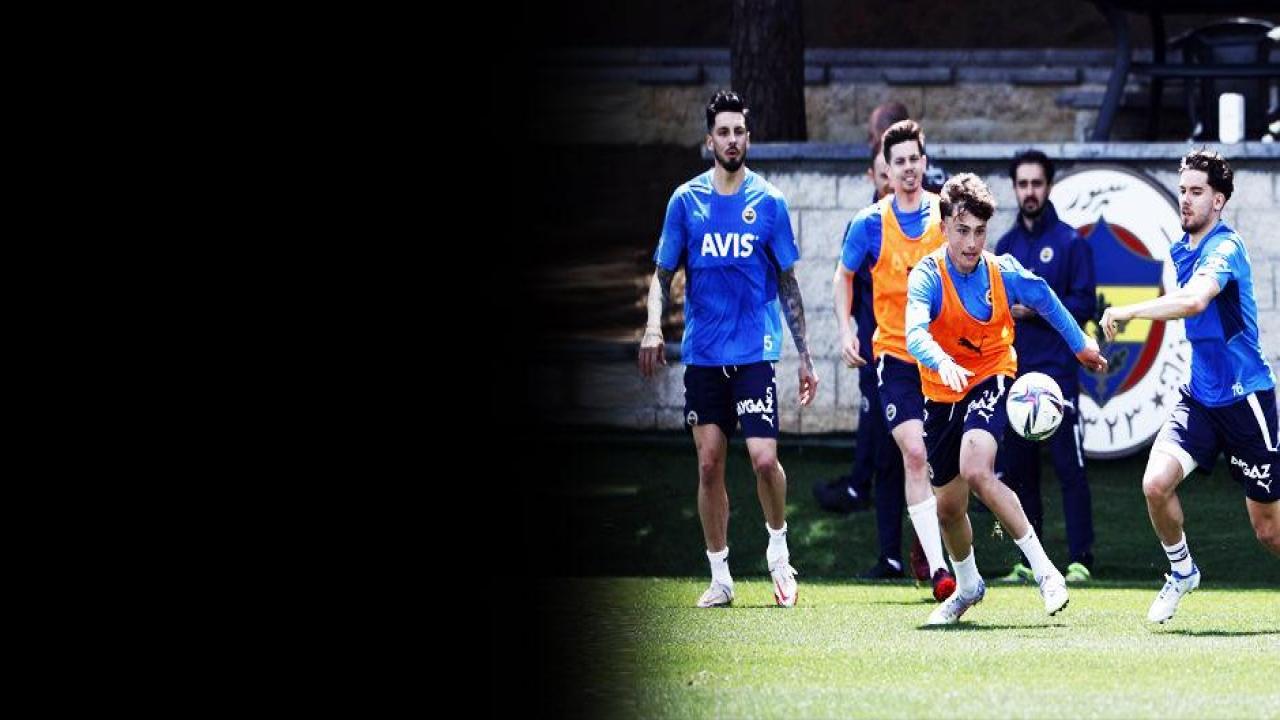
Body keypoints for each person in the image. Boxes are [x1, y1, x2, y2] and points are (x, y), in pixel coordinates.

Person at [639, 90, 820, 609]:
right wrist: (653, 328)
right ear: (709, 140)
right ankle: (720, 576)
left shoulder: (770, 202)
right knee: (708, 465)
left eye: (739, 131)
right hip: (703, 354)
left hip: (754, 352)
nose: (732, 140)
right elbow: (661, 276)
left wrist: (805, 356)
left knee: (764, 460)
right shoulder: (685, 201)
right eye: (724, 132)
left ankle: (778, 551)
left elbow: (787, 283)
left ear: (748, 138)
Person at [904, 173, 1109, 625]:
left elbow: (1046, 298)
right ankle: (968, 587)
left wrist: (1080, 345)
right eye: (962, 230)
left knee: (978, 470)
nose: (972, 243)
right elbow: (914, 333)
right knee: (948, 507)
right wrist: (941, 361)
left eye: (980, 231)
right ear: (944, 227)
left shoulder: (1003, 271)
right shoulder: (927, 276)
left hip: (992, 375)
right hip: (941, 390)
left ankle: (1046, 572)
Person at [1101, 149, 1278, 624]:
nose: (1186, 199)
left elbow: (1196, 301)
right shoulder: (1180, 249)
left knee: (1268, 532)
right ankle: (1182, 572)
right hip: (1200, 397)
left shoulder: (1227, 248)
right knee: (1155, 484)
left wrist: (1130, 311)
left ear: (1218, 201)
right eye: (1182, 190)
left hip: (1246, 400)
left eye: (1196, 192)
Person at [834, 119, 957, 601]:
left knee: (952, 464)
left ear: (924, 163)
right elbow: (843, 276)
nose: (907, 168)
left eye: (913, 160)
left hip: (943, 357)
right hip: (895, 355)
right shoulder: (869, 223)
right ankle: (940, 570)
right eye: (898, 161)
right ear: (885, 169)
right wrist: (846, 329)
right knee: (914, 452)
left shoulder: (945, 216)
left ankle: (931, 542)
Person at [994, 150, 1099, 584]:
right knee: (1020, 472)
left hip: (1058, 377)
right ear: (1015, 189)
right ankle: (1028, 560)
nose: (1030, 192)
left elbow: (1085, 304)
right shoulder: (1004, 247)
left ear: (1049, 186)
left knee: (1070, 469)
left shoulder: (1072, 243)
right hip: (1016, 378)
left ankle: (1081, 559)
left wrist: (1035, 309)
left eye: (1036, 183)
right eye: (1023, 184)